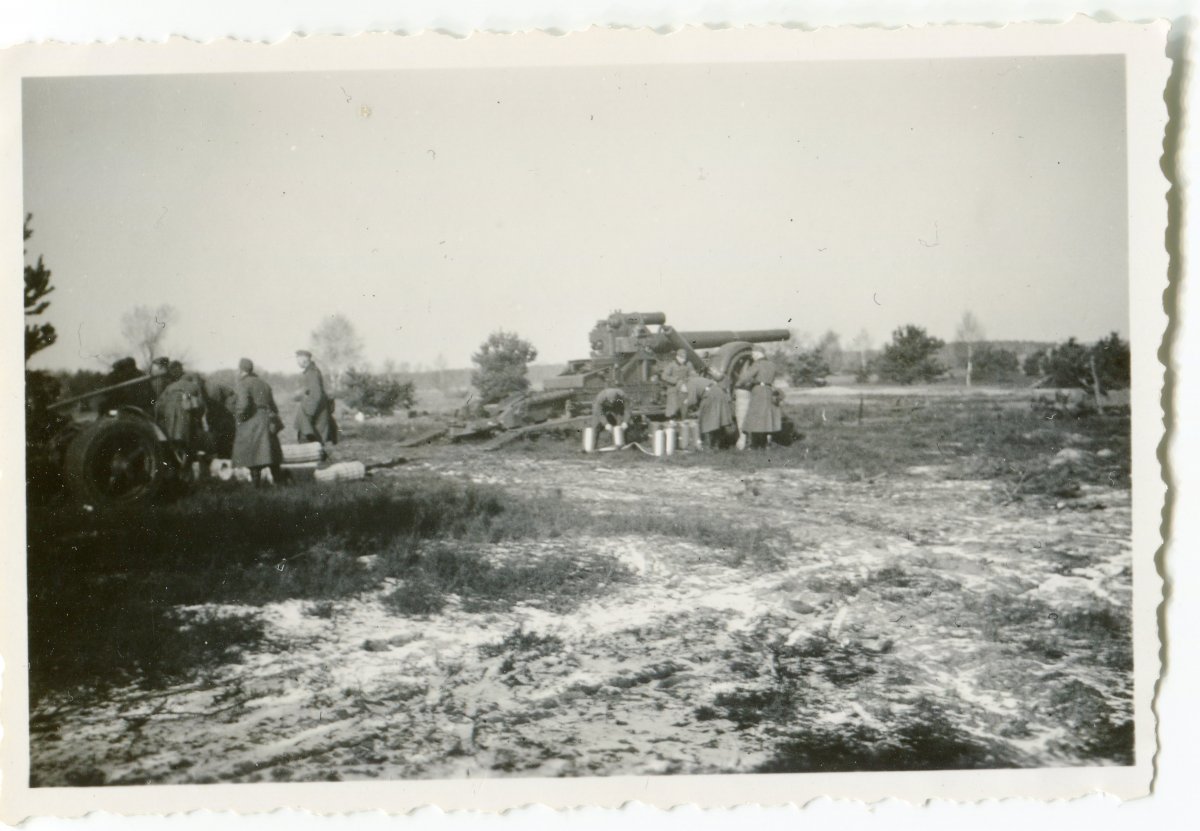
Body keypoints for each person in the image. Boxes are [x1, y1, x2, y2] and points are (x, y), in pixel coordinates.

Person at [232, 358, 283, 486]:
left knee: (253, 454)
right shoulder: (264, 383)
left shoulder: (243, 383)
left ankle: (256, 486)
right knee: (270, 452)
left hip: (253, 420)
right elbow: (274, 406)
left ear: (241, 370)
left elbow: (243, 405)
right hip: (268, 419)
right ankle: (279, 482)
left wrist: (239, 417)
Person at [156, 360, 208, 462]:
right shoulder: (195, 387)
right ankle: (186, 464)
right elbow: (201, 406)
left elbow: (159, 405)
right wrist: (196, 418)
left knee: (172, 443)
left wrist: (163, 417)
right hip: (187, 419)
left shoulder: (169, 387)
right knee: (188, 444)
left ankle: (175, 462)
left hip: (170, 419)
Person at [738, 349, 783, 449]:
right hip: (769, 390)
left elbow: (745, 377)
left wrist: (739, 383)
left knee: (755, 416)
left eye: (753, 354)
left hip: (758, 391)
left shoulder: (757, 364)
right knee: (766, 417)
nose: (752, 356)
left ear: (758, 353)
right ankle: (766, 443)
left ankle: (754, 444)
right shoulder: (772, 364)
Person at [293, 349, 338, 445]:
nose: (297, 362)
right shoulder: (311, 371)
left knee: (311, 442)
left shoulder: (312, 373)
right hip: (317, 411)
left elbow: (316, 395)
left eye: (298, 359)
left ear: (305, 359)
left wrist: (309, 413)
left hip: (314, 413)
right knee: (314, 442)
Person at [203, 376, 238, 459]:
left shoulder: (210, 388)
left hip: (221, 412)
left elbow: (215, 404)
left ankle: (221, 453)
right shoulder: (213, 387)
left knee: (220, 433)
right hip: (222, 412)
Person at [697, 373, 735, 449]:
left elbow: (720, 377)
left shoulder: (720, 375)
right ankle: (715, 444)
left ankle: (714, 444)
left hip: (719, 398)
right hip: (719, 397)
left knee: (718, 422)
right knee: (719, 422)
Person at [659, 349, 694, 420]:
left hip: (684, 389)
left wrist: (688, 380)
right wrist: (674, 380)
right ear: (677, 357)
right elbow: (664, 376)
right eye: (681, 358)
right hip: (673, 389)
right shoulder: (671, 365)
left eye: (684, 358)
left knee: (684, 409)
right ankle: (671, 421)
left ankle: (684, 420)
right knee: (672, 410)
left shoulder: (688, 364)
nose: (683, 360)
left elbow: (693, 375)